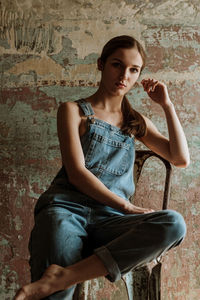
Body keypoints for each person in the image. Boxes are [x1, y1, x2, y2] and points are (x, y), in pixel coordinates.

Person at [14, 35, 190, 300]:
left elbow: (180, 158)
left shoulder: (135, 121)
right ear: (101, 64)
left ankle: (62, 277)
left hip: (111, 222)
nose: (124, 75)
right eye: (117, 65)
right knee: (55, 285)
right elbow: (76, 173)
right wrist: (126, 206)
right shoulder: (72, 111)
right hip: (66, 209)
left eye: (134, 70)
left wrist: (167, 105)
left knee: (174, 224)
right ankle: (56, 283)